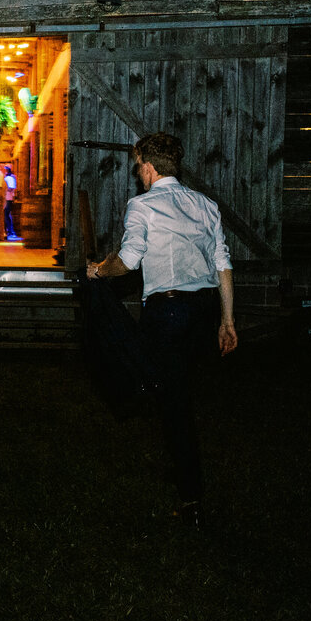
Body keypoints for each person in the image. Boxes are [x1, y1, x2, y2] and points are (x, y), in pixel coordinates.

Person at [85, 132, 237, 529]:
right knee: (174, 390)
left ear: (149, 168)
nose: (138, 173)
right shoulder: (204, 204)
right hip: (203, 310)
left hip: (168, 311)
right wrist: (227, 320)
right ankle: (178, 459)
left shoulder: (143, 205)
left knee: (172, 402)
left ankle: (191, 500)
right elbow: (222, 262)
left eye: (138, 166)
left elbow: (130, 260)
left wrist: (99, 270)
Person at [3, 165, 18, 239]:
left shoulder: (10, 177)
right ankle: (7, 231)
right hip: (6, 198)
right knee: (5, 215)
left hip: (8, 198)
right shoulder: (7, 177)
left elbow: (11, 188)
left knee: (7, 215)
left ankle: (10, 231)